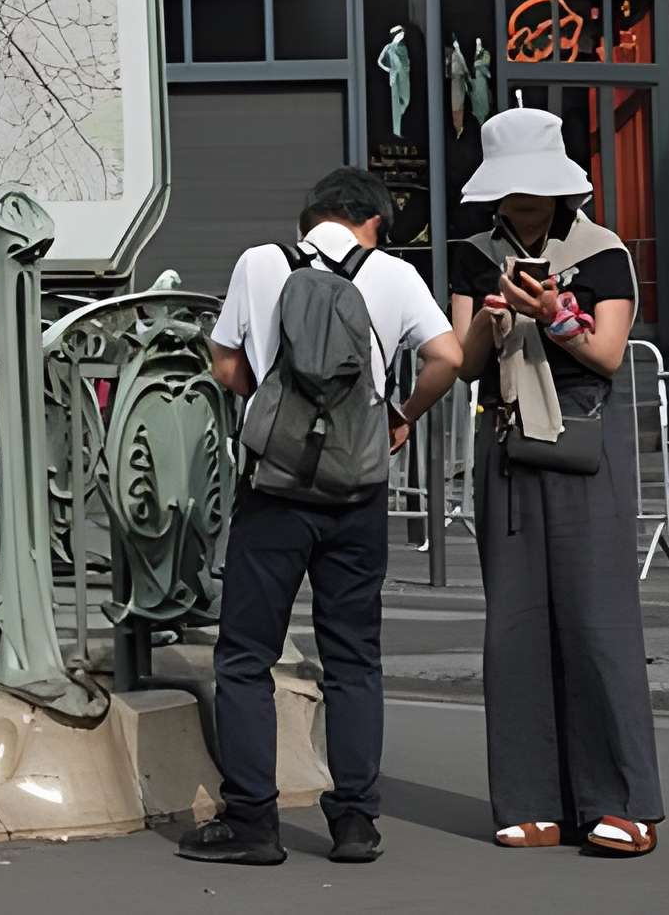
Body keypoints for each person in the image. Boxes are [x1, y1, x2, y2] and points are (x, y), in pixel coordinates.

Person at [182, 165, 461, 868]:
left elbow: (224, 363)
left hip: (275, 491)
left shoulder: (260, 262)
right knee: (353, 659)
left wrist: (270, 407)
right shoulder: (394, 274)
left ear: (310, 218)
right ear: (373, 222)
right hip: (356, 492)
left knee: (246, 657)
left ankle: (254, 823)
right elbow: (448, 355)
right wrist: (401, 415)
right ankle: (355, 823)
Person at [450, 106, 663, 858]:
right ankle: (530, 799)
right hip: (507, 443)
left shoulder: (603, 252)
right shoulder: (474, 255)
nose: (523, 204)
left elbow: (608, 354)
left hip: (583, 442)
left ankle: (621, 802)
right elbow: (464, 363)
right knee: (513, 625)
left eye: (534, 190)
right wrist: (491, 321)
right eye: (511, 192)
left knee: (597, 619)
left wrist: (555, 316)